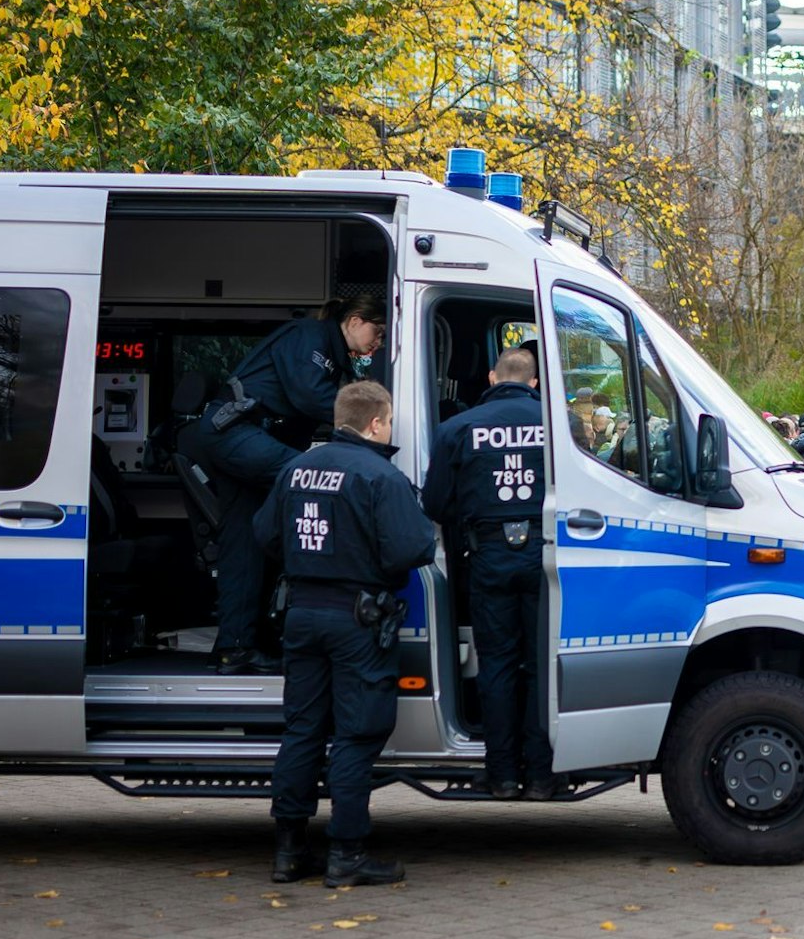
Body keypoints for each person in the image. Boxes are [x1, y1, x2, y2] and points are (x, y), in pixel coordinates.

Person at [254, 381, 437, 887]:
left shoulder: (294, 469)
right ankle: (347, 855)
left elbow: (265, 535)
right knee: (356, 735)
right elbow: (413, 548)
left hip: (302, 612)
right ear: (376, 423)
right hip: (357, 619)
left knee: (303, 729)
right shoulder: (379, 474)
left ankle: (289, 853)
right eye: (390, 420)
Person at [181, 294, 387, 674]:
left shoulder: (333, 356)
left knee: (246, 545)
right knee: (316, 478)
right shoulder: (310, 336)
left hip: (249, 439)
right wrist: (373, 417)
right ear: (355, 320)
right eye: (378, 331)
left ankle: (235, 649)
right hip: (235, 433)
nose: (379, 342)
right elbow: (309, 396)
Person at [420, 348, 554, 801]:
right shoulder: (558, 427)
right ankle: (540, 775)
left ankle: (502, 775)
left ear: (493, 377)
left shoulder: (455, 429)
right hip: (545, 557)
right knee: (540, 664)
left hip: (488, 555)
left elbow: (436, 504)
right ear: (534, 383)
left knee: (496, 665)